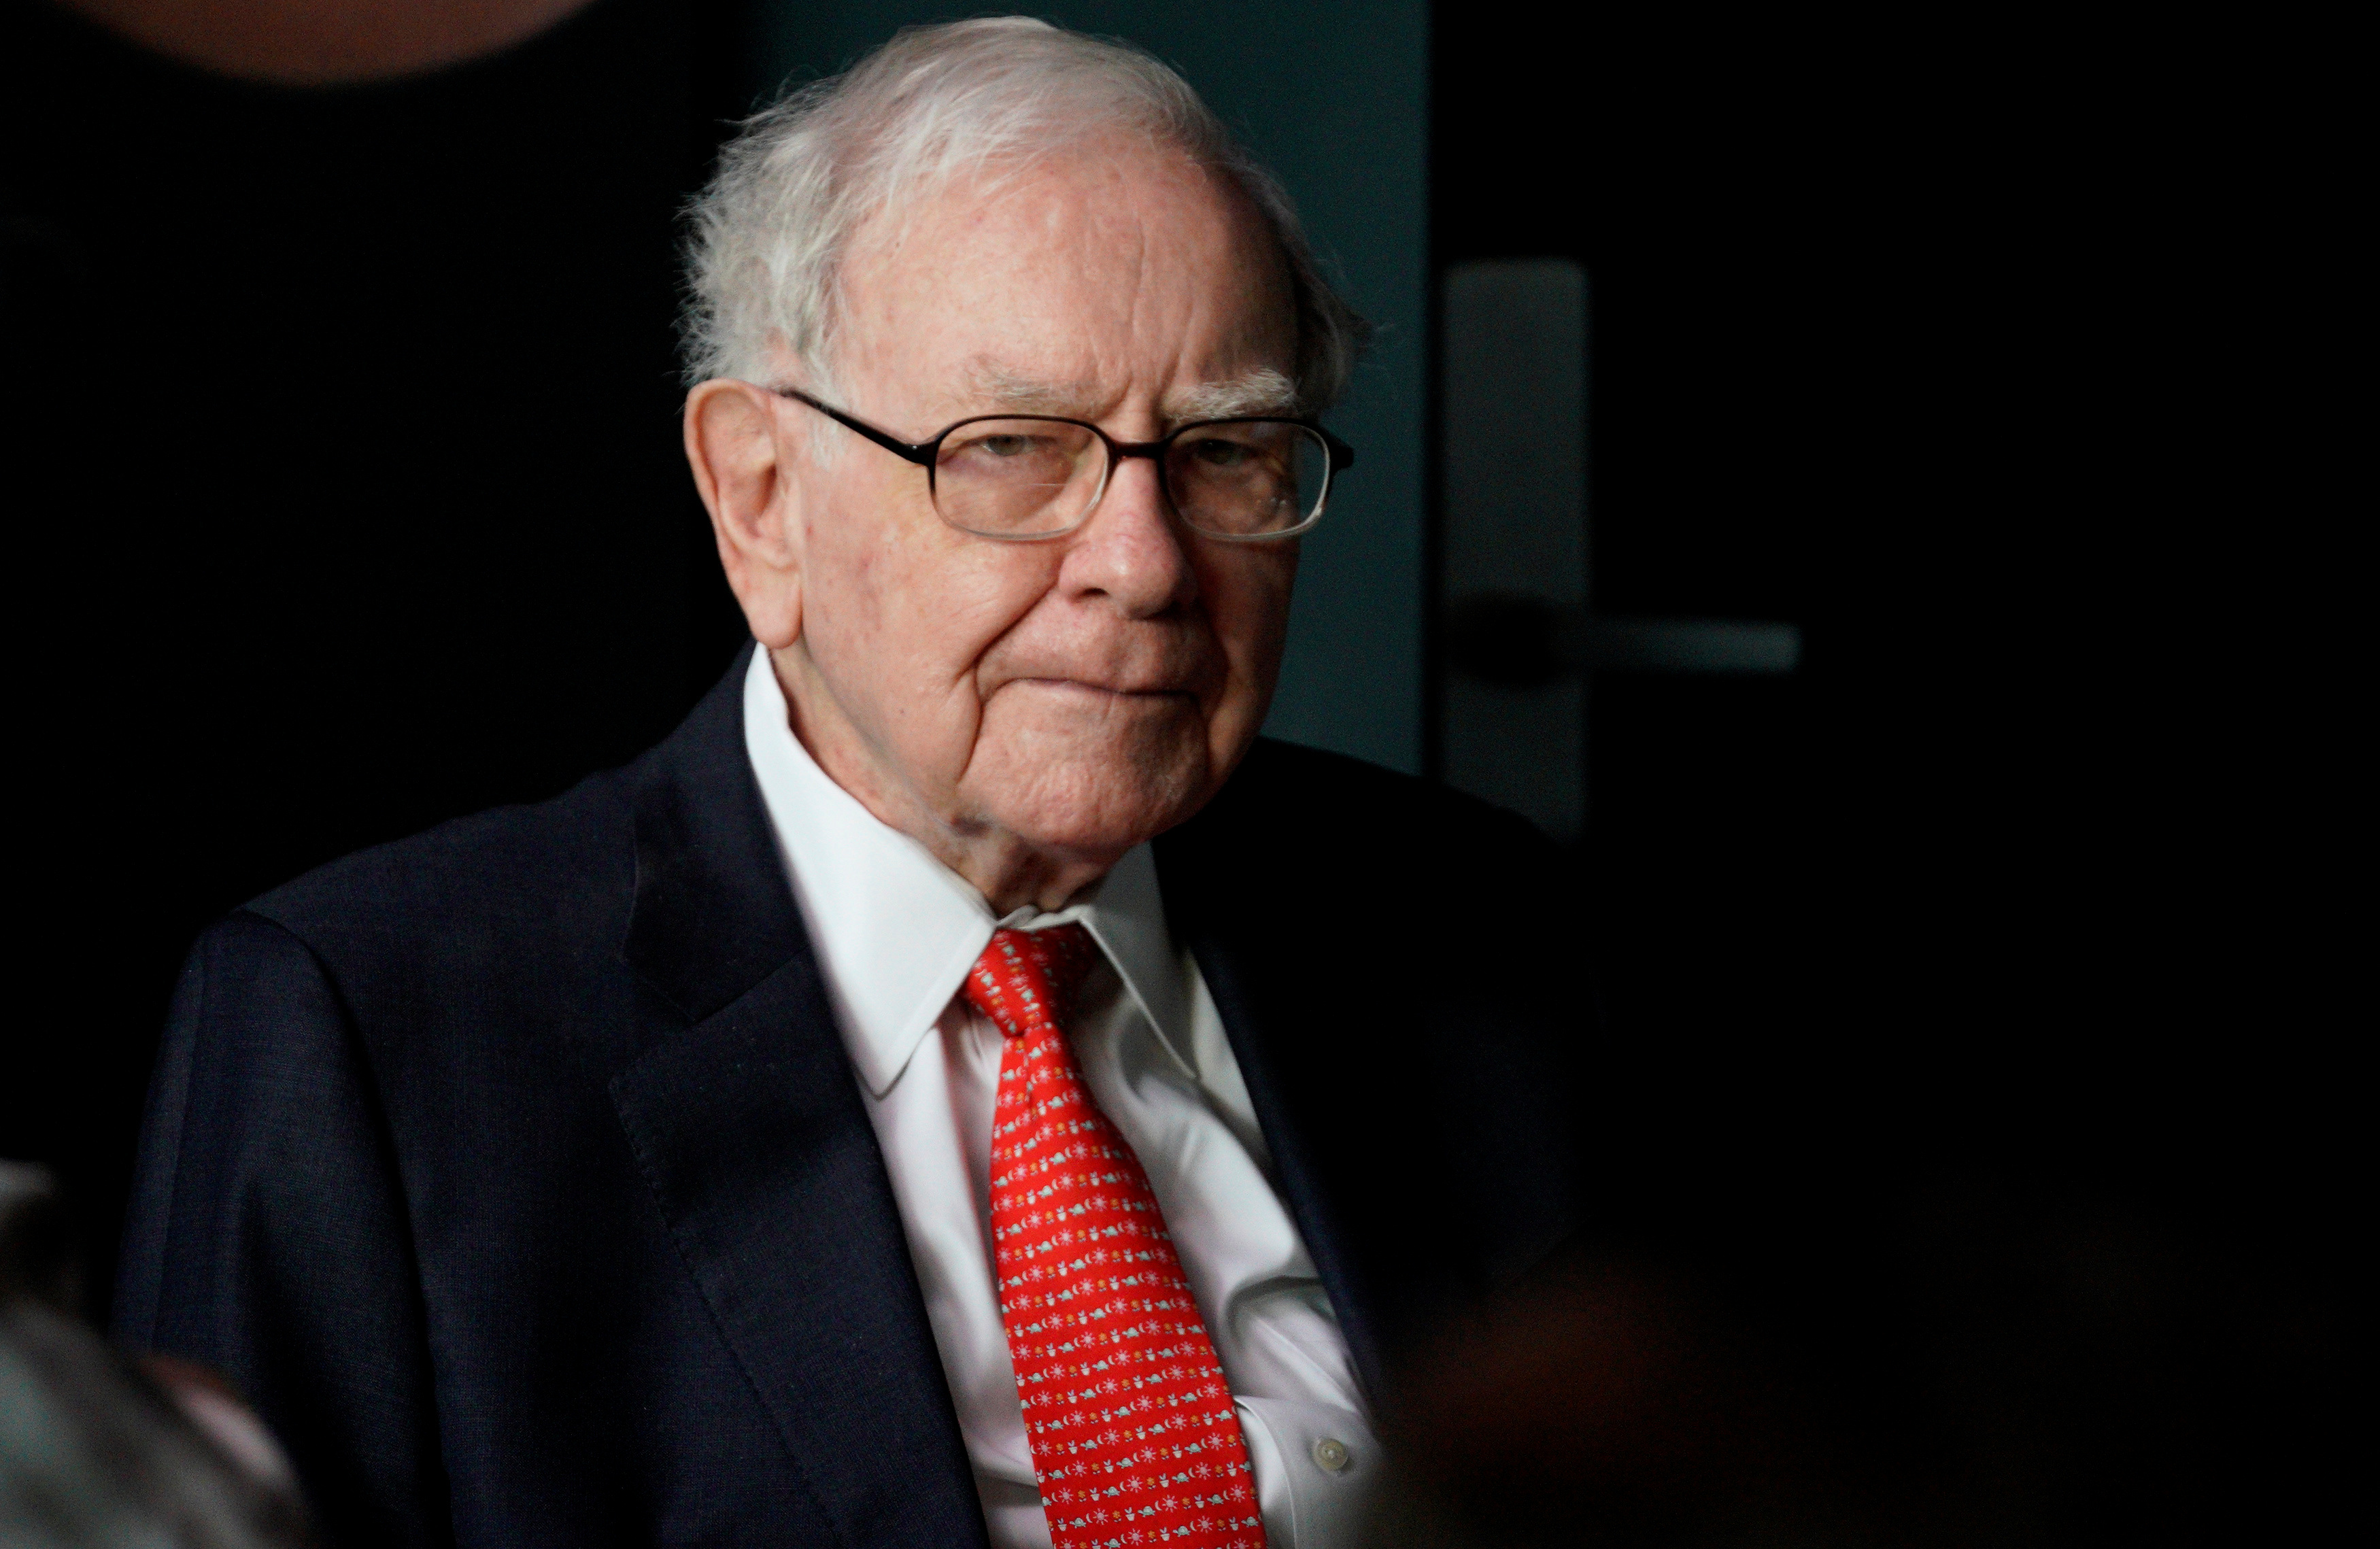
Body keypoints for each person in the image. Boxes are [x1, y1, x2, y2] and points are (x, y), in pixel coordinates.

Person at [116, 19, 1585, 1548]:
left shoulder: (1481, 930)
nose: (1145, 565)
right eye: (1013, 447)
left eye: (1226, 451)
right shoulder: (371, 1039)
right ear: (759, 499)